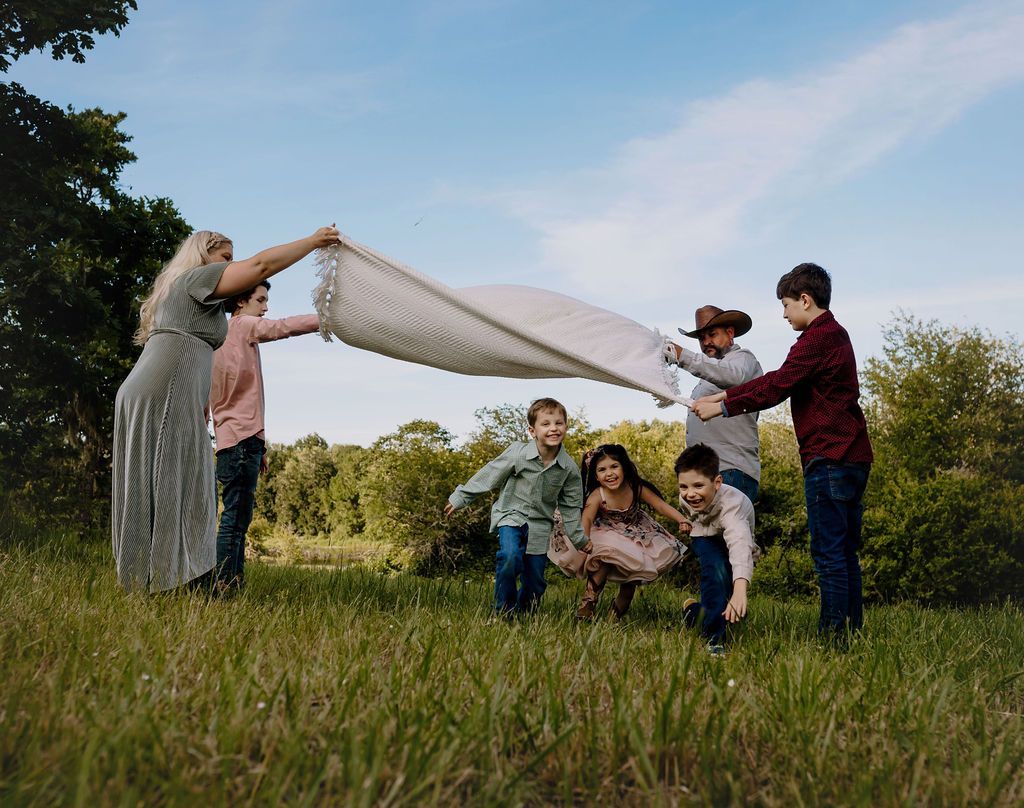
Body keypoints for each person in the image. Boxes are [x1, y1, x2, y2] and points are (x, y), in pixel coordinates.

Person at [111, 225, 341, 592]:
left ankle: (168, 578)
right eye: (226, 258)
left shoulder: (196, 296)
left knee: (178, 483)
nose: (230, 266)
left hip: (167, 392)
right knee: (173, 483)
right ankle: (169, 582)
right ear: (205, 255)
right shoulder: (196, 279)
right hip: (162, 391)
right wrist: (313, 242)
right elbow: (262, 265)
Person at [691, 263, 872, 638]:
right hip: (852, 457)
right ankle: (852, 631)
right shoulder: (835, 335)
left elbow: (777, 385)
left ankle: (834, 638)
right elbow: (776, 382)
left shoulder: (817, 339)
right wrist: (723, 397)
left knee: (829, 556)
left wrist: (723, 404)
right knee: (844, 552)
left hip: (829, 457)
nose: (784, 313)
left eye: (787, 305)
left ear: (805, 300)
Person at [208, 281, 322, 591]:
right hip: (242, 442)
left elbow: (222, 401)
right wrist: (325, 319)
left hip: (233, 442)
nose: (266, 307)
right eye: (260, 300)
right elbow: (282, 327)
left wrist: (260, 447)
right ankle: (225, 584)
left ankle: (232, 582)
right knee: (235, 522)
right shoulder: (244, 325)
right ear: (241, 302)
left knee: (235, 519)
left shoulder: (217, 340)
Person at [444, 398, 585, 616]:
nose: (553, 428)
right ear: (532, 430)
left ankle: (524, 612)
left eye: (558, 423)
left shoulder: (568, 469)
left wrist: (579, 539)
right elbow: (490, 474)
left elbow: (571, 506)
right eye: (546, 424)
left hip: (540, 524)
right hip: (511, 515)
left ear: (566, 426)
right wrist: (461, 497)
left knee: (535, 581)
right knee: (509, 557)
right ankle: (503, 610)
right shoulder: (518, 453)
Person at [572, 444, 689, 621]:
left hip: (634, 534)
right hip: (606, 531)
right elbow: (587, 518)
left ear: (624, 467)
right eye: (602, 470)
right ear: (596, 476)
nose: (609, 473)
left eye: (614, 466)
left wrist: (681, 519)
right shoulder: (598, 494)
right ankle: (588, 603)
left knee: (632, 577)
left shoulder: (636, 487)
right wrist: (584, 539)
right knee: (603, 558)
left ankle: (615, 616)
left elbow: (659, 505)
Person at [664, 305, 763, 503]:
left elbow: (731, 376)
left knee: (733, 533)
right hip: (703, 475)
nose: (706, 342)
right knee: (703, 535)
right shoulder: (709, 373)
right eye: (701, 338)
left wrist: (682, 355)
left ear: (730, 333)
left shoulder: (744, 360)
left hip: (731, 471)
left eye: (712, 334)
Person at [675, 443, 758, 654]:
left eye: (698, 486)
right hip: (704, 535)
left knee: (725, 600)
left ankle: (692, 612)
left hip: (732, 540)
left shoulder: (734, 505)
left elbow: (739, 545)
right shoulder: (686, 500)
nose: (690, 494)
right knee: (715, 572)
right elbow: (694, 516)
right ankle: (714, 640)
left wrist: (740, 592)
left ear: (717, 482)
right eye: (683, 487)